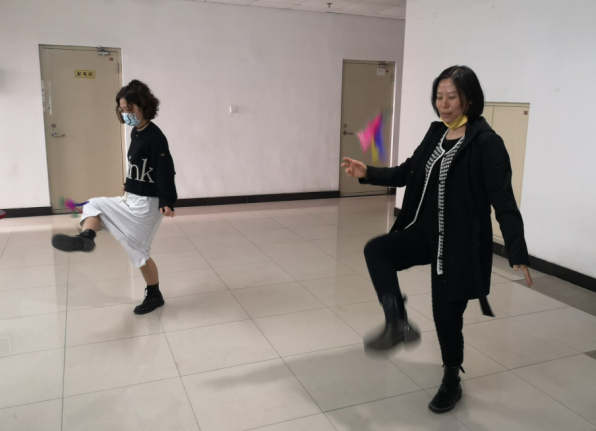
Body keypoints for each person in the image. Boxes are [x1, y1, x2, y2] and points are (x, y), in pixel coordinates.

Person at [341, 65, 533, 413]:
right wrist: (368, 172)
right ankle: (397, 321)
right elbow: (407, 172)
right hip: (424, 232)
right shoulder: (436, 133)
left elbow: (503, 201)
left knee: (446, 316)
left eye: (451, 97)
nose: (443, 104)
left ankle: (451, 378)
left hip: (459, 245)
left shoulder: (487, 143)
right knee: (378, 251)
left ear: (469, 99)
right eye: (439, 97)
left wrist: (517, 251)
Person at [52, 80, 177, 315]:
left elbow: (164, 169)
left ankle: (155, 295)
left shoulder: (155, 136)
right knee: (94, 204)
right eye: (122, 109)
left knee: (139, 253)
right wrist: (129, 184)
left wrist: (166, 200)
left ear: (143, 106)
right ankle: (86, 237)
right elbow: (138, 165)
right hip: (131, 198)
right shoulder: (136, 132)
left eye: (129, 108)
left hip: (147, 205)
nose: (125, 113)